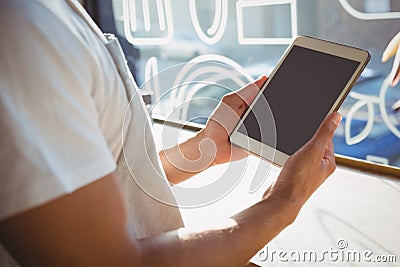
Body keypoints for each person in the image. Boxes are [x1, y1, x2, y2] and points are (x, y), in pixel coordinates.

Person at [0, 0, 342, 266]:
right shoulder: (23, 30)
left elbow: (94, 188)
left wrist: (203, 149)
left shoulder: (49, 15)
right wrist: (284, 202)